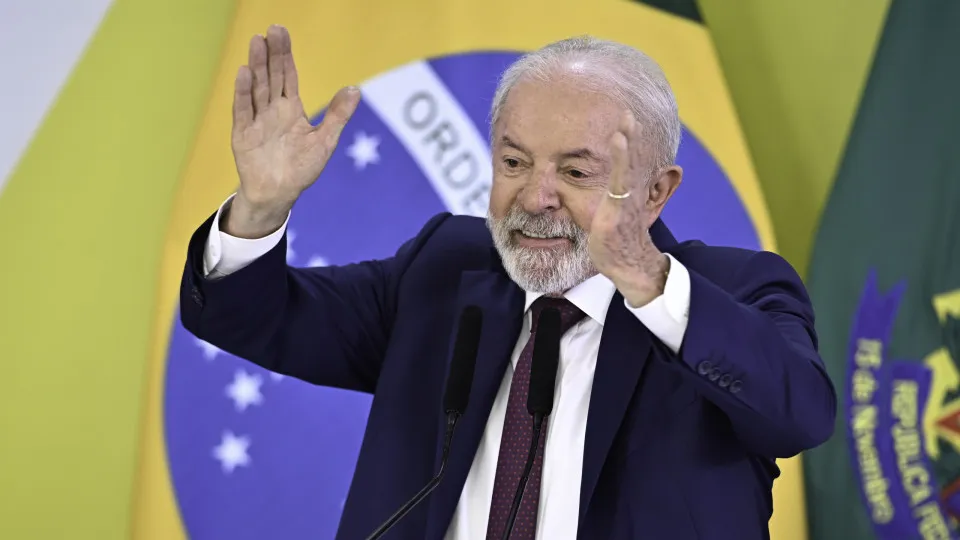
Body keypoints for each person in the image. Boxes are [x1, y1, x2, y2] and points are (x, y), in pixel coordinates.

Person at [180, 25, 837, 540]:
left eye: (576, 173)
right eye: (515, 162)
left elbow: (800, 416)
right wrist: (261, 207)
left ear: (655, 192)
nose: (536, 197)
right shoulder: (443, 271)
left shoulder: (731, 291)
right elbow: (248, 314)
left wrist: (647, 279)